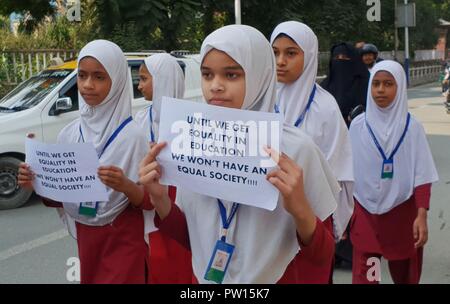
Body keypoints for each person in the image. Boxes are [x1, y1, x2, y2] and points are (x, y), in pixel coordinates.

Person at [139, 24, 340, 284]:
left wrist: (300, 209)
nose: (216, 86)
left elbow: (323, 256)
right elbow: (192, 238)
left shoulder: (296, 150)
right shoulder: (196, 140)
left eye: (231, 75)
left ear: (260, 75)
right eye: (207, 75)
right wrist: (160, 198)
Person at [18, 40, 149, 284]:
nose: (88, 85)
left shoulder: (134, 136)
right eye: (82, 75)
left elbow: (153, 203)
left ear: (118, 81)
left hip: (123, 242)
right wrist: (35, 183)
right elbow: (64, 191)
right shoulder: (69, 134)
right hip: (87, 240)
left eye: (99, 77)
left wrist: (126, 186)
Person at [270, 21, 354, 282]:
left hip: (308, 220)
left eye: (291, 53)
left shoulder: (325, 108)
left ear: (309, 56)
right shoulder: (262, 99)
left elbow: (337, 173)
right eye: (274, 52)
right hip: (266, 221)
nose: (280, 61)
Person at [349, 60, 439, 284]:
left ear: (400, 87)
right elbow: (346, 173)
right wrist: (344, 212)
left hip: (402, 213)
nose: (380, 90)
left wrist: (421, 214)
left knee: (405, 275)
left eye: (388, 84)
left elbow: (422, 174)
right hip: (365, 212)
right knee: (367, 275)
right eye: (376, 84)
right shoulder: (358, 126)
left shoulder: (412, 128)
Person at [135, 53, 193, 283]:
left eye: (144, 79)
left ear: (163, 79)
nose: (139, 86)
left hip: (183, 208)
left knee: (183, 265)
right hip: (151, 209)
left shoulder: (190, 121)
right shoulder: (140, 119)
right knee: (157, 265)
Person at [321, 42, 370, 127]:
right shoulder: (323, 87)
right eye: (336, 57)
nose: (340, 61)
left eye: (344, 57)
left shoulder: (366, 85)